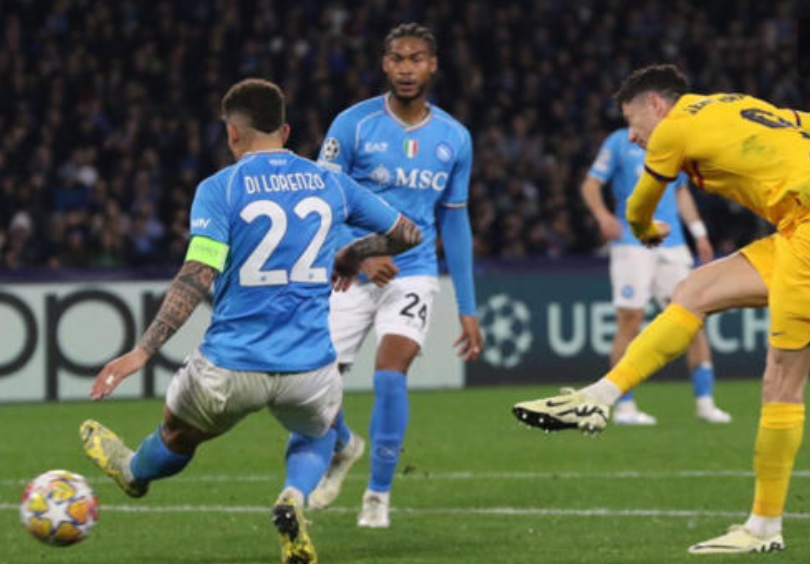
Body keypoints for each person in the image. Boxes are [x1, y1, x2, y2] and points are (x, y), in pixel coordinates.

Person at [79, 78, 422, 564]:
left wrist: (143, 350)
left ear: (231, 135)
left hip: (230, 366)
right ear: (285, 129)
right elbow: (407, 233)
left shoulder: (220, 189)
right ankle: (293, 498)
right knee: (318, 432)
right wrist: (353, 254)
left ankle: (134, 473)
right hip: (309, 369)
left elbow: (197, 276)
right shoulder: (330, 181)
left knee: (178, 436)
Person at [513, 64, 810, 554]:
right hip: (794, 229)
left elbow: (637, 207)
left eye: (633, 123)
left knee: (782, 382)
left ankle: (763, 528)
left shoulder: (673, 127)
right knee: (693, 292)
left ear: (657, 105)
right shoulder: (731, 104)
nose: (632, 137)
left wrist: (647, 231)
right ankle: (601, 397)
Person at [310, 22, 483, 528]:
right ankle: (343, 446)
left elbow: (455, 220)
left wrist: (468, 308)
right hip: (351, 271)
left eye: (417, 59)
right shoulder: (353, 124)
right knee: (313, 385)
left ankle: (377, 496)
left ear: (433, 65)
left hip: (414, 272)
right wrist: (359, 254)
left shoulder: (454, 138)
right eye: (398, 59)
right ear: (384, 64)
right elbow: (325, 200)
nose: (407, 69)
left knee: (390, 375)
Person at [582, 127, 731, 425]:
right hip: (632, 242)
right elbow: (590, 184)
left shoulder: (672, 140)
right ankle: (624, 406)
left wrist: (699, 232)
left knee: (693, 320)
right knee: (630, 320)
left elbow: (680, 191)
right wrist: (603, 216)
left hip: (673, 243)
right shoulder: (618, 141)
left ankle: (705, 403)